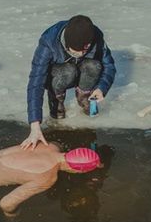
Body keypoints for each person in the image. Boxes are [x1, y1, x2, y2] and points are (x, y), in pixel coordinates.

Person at [21, 15, 117, 150]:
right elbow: (36, 81)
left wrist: (101, 88)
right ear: (66, 44)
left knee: (94, 66)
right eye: (76, 52)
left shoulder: (95, 36)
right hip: (59, 75)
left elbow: (109, 66)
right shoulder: (49, 40)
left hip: (83, 71)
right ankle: (57, 105)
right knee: (68, 71)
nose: (82, 54)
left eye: (85, 51)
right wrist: (35, 124)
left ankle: (85, 98)